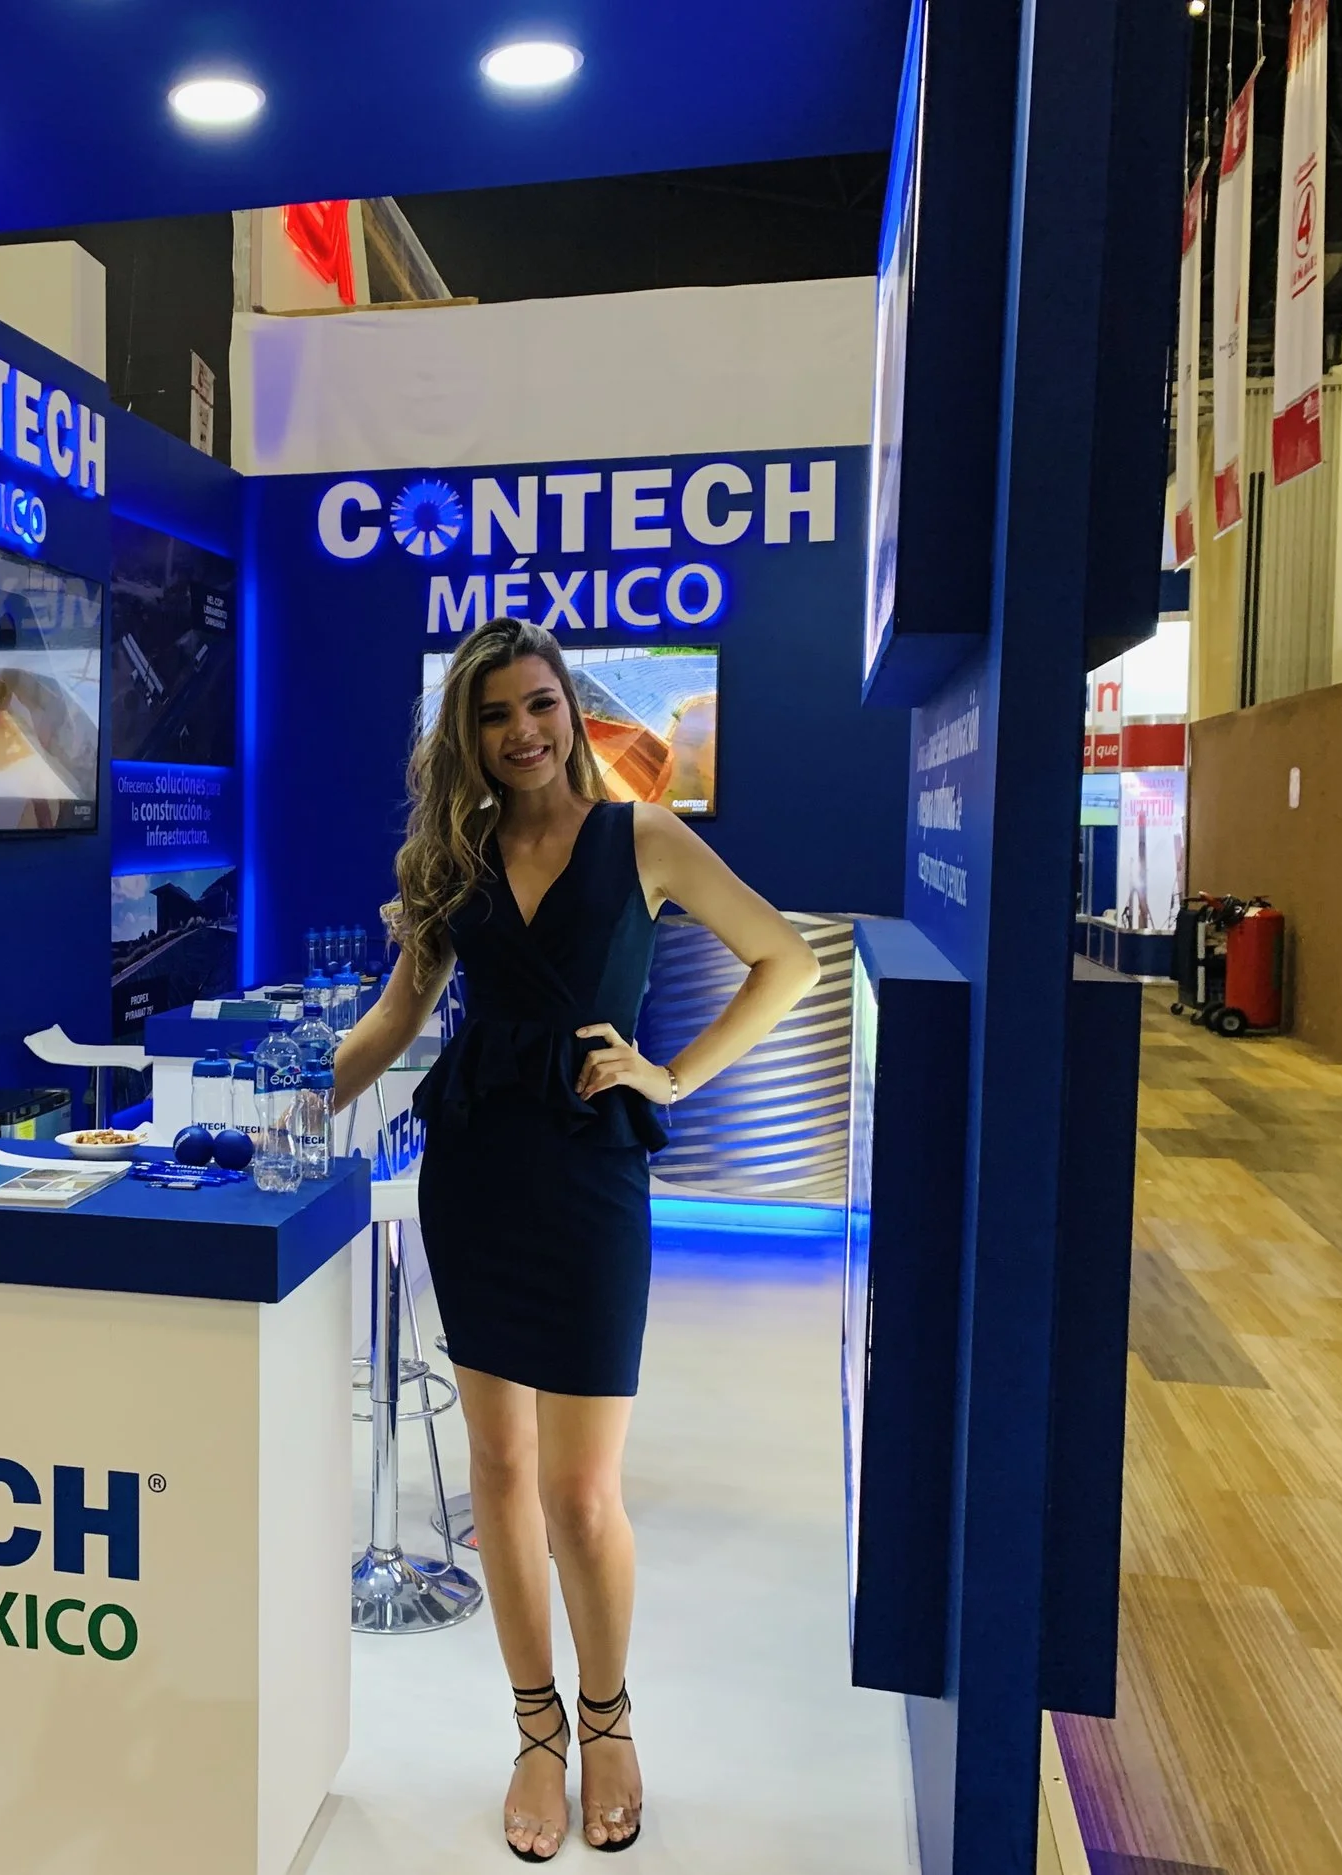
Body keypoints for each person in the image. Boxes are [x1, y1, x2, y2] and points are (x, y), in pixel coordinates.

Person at [333, 618, 818, 1861]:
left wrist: (674, 1075)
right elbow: (398, 1016)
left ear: (572, 710)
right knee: (494, 1476)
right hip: (477, 1169)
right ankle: (534, 1732)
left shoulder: (641, 837)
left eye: (540, 706)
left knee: (579, 1490)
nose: (523, 734)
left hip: (591, 1175)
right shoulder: (450, 858)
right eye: (495, 716)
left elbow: (785, 960)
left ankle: (609, 1724)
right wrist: (286, 1101)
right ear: (468, 735)